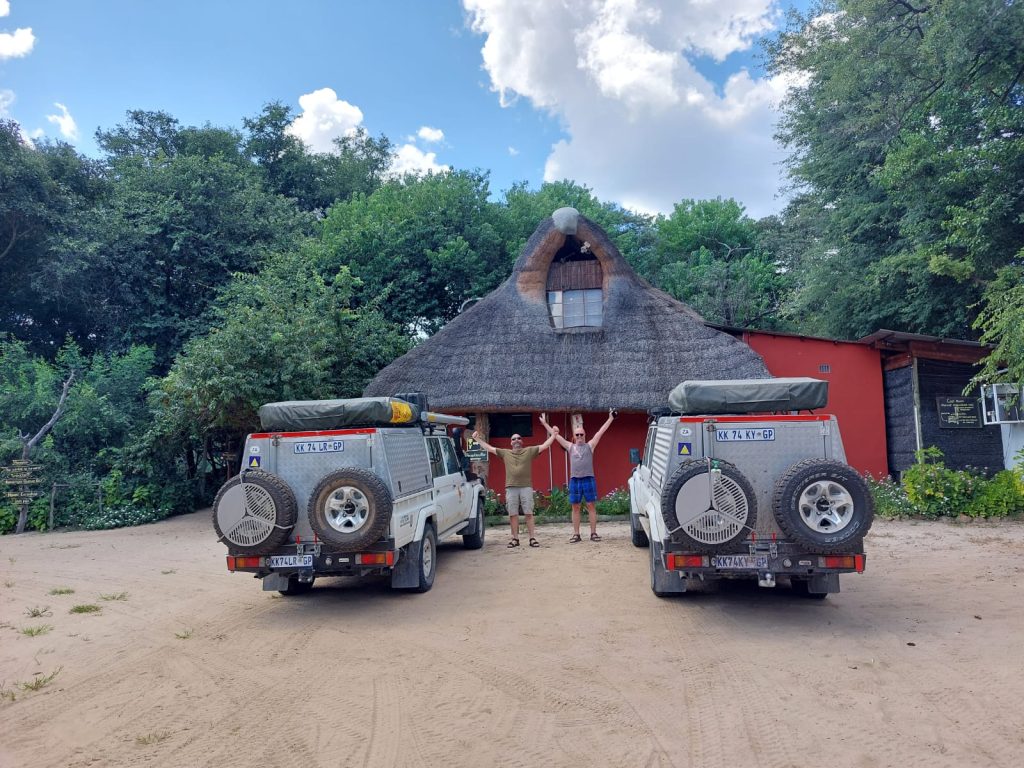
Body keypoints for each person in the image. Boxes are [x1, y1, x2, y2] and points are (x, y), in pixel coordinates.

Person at [471, 427, 558, 548]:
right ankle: (515, 539)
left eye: (518, 438)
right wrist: (477, 439)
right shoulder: (505, 453)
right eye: (513, 439)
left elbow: (545, 446)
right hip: (511, 487)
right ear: (511, 443)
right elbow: (489, 448)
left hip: (526, 487)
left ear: (522, 441)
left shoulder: (529, 451)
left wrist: (554, 435)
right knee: (513, 514)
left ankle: (532, 538)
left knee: (529, 513)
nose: (516, 440)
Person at [540, 409, 615, 543]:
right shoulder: (570, 446)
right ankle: (576, 534)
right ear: (574, 437)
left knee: (591, 505)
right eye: (577, 435)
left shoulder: (590, 445)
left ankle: (593, 533)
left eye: (581, 434)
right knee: (575, 507)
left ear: (585, 435)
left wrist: (610, 418)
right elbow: (555, 436)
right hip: (575, 480)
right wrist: (545, 423)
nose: (580, 436)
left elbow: (601, 431)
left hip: (588, 478)